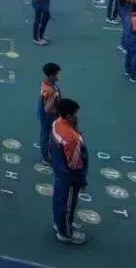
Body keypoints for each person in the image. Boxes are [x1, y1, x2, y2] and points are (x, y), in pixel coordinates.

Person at [50, 98, 88, 245]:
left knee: (59, 198)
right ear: (69, 116)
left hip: (59, 171)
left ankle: (59, 223)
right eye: (75, 113)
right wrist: (81, 181)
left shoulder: (56, 123)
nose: (78, 116)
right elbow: (75, 165)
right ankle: (65, 232)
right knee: (68, 203)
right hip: (70, 177)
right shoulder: (72, 139)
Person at [37, 62, 62, 162]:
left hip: (44, 112)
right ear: (51, 76)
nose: (59, 76)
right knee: (46, 136)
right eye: (57, 74)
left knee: (47, 135)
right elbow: (49, 109)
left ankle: (49, 153)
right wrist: (57, 116)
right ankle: (45, 157)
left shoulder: (48, 83)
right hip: (48, 116)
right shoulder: (50, 91)